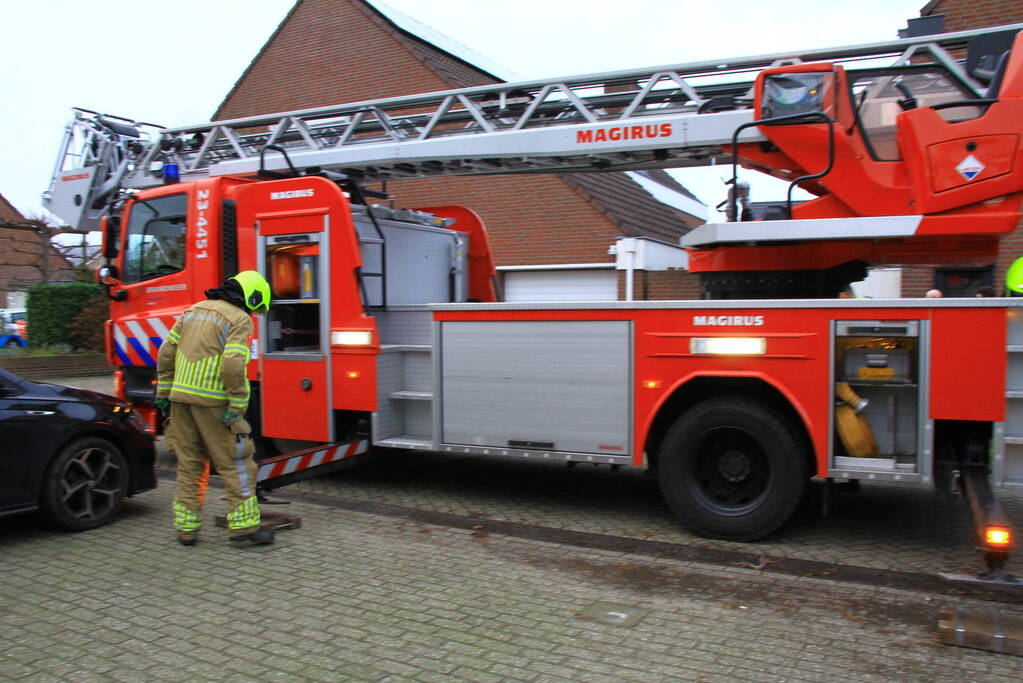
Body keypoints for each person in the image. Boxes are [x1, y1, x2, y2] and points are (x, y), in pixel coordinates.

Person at [155, 271, 274, 547]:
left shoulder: (193, 310)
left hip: (180, 400)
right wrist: (237, 402)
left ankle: (186, 530)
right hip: (214, 403)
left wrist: (163, 391)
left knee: (190, 465)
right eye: (255, 307)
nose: (253, 313)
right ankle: (244, 528)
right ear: (251, 297)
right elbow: (233, 363)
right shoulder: (238, 319)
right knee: (237, 463)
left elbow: (166, 351)